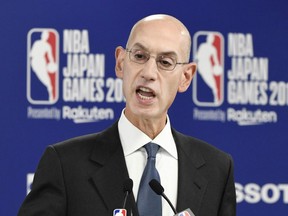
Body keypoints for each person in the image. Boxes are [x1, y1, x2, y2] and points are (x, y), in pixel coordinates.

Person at [18, 14, 236, 216]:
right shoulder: (65, 164)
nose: (149, 73)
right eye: (140, 56)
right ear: (121, 63)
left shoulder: (217, 169)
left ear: (186, 77)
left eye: (165, 62)